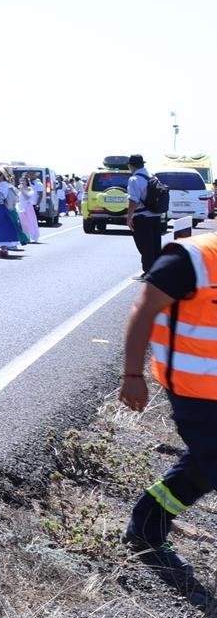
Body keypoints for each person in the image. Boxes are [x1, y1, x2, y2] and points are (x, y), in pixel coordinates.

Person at [119, 226, 217, 585]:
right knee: (213, 458)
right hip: (194, 390)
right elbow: (143, 309)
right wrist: (132, 374)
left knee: (208, 463)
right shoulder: (192, 258)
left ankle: (148, 523)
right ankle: (147, 523)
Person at [129, 154, 167, 277]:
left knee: (144, 245)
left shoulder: (134, 179)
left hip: (142, 217)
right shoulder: (152, 176)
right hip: (155, 215)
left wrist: (129, 217)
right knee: (155, 244)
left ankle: (149, 271)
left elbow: (133, 200)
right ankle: (157, 269)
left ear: (131, 165)